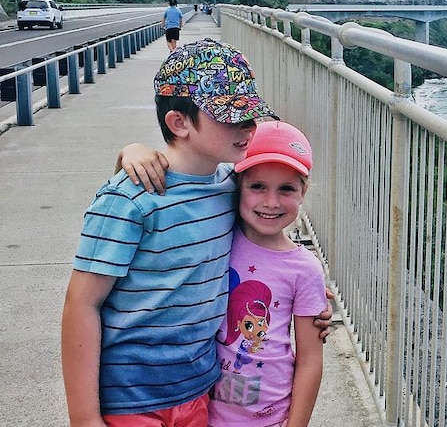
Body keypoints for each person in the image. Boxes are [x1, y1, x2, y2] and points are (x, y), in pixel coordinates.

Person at [61, 39, 282, 426]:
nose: (248, 127)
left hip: (197, 389)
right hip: (132, 399)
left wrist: (309, 291)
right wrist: (84, 417)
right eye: (231, 116)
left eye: (251, 115)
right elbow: (82, 304)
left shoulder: (232, 187)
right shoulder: (131, 201)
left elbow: (266, 243)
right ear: (179, 122)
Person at [208, 120, 327, 427]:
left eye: (286, 188)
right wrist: (131, 153)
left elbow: (311, 359)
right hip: (201, 414)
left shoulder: (305, 268)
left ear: (303, 192)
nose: (271, 202)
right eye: (257, 186)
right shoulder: (215, 236)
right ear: (238, 187)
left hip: (270, 418)